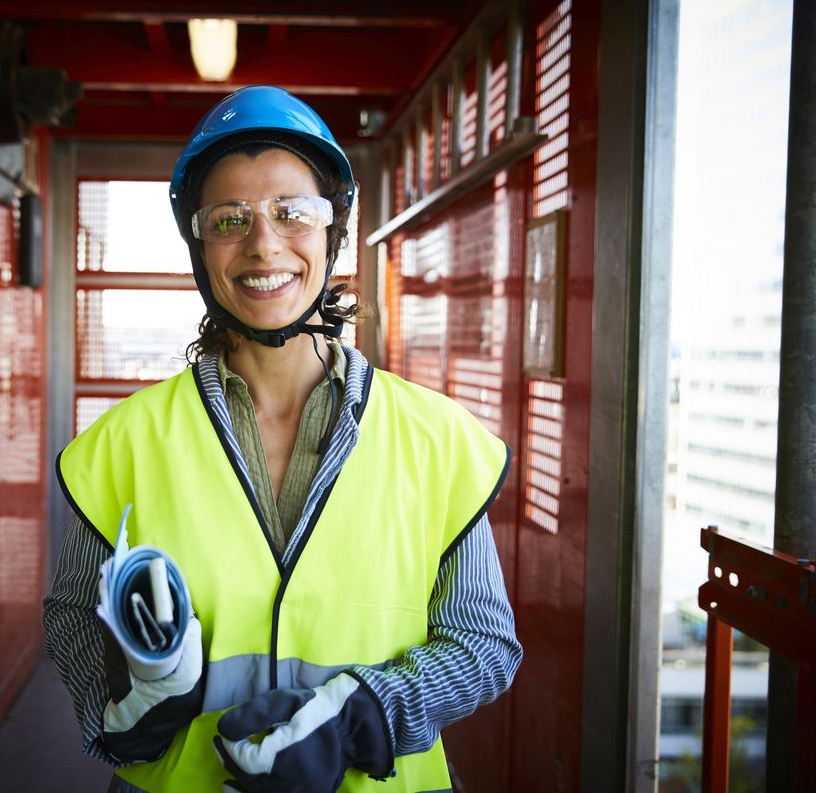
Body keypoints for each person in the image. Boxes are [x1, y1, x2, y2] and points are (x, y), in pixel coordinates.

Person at [44, 86, 522, 793]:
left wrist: (362, 715)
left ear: (333, 233)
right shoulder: (122, 444)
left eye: (293, 212)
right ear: (199, 248)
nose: (263, 242)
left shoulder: (438, 438)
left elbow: (483, 644)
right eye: (229, 219)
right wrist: (125, 704)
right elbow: (75, 617)